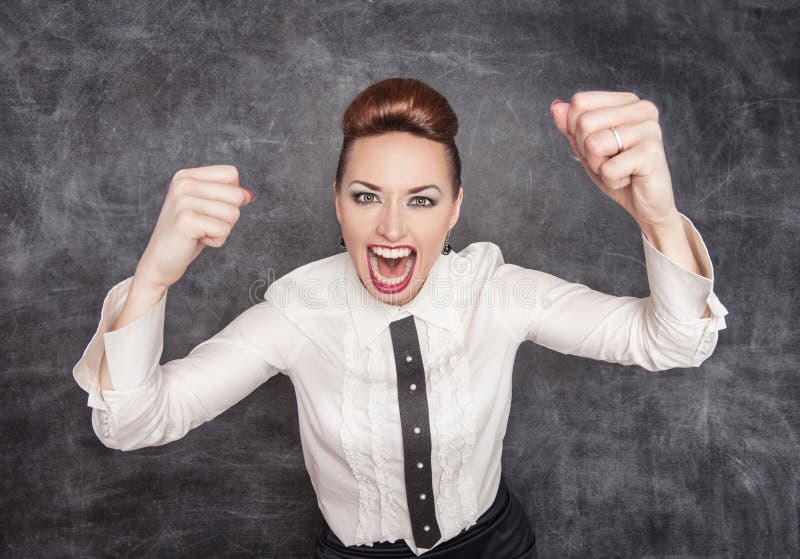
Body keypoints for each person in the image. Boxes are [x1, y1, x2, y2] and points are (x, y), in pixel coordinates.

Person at [72, 77, 729, 558]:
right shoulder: (295, 313)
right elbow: (131, 421)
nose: (390, 226)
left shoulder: (496, 291)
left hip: (496, 545)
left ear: (454, 209)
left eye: (421, 199)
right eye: (366, 197)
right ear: (337, 203)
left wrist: (657, 216)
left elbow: (674, 340)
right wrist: (155, 272)